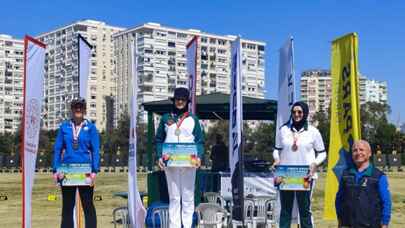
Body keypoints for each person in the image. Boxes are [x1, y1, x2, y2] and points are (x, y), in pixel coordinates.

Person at [155, 87, 204, 228]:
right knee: (174, 197)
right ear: (174, 100)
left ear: (187, 101)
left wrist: (199, 156)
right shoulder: (166, 118)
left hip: (189, 162)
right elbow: (159, 139)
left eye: (183, 99)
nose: (180, 102)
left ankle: (187, 225)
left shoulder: (193, 119)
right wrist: (159, 156)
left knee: (188, 197)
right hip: (170, 163)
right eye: (178, 99)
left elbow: (199, 141)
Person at [273, 101, 326, 228]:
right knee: (285, 210)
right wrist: (276, 159)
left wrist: (315, 163)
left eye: (300, 112)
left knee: (304, 210)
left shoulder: (313, 131)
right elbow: (277, 149)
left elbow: (322, 153)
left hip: (305, 175)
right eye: (294, 112)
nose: (296, 114)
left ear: (305, 113)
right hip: (286, 174)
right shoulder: (283, 130)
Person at [52, 97, 100, 228]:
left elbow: (95, 150)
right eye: (75, 107)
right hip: (67, 171)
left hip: (85, 171)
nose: (78, 109)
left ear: (84, 110)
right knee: (67, 207)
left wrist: (95, 171)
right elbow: (57, 149)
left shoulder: (91, 128)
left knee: (88, 205)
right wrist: (55, 169)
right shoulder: (64, 127)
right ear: (71, 110)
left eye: (80, 107)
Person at [335, 140, 391, 228]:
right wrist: (340, 219)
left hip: (372, 224)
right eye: (355, 150)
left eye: (361, 150)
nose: (358, 153)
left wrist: (385, 223)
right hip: (348, 224)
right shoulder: (346, 175)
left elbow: (386, 201)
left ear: (369, 153)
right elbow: (339, 199)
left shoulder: (379, 176)